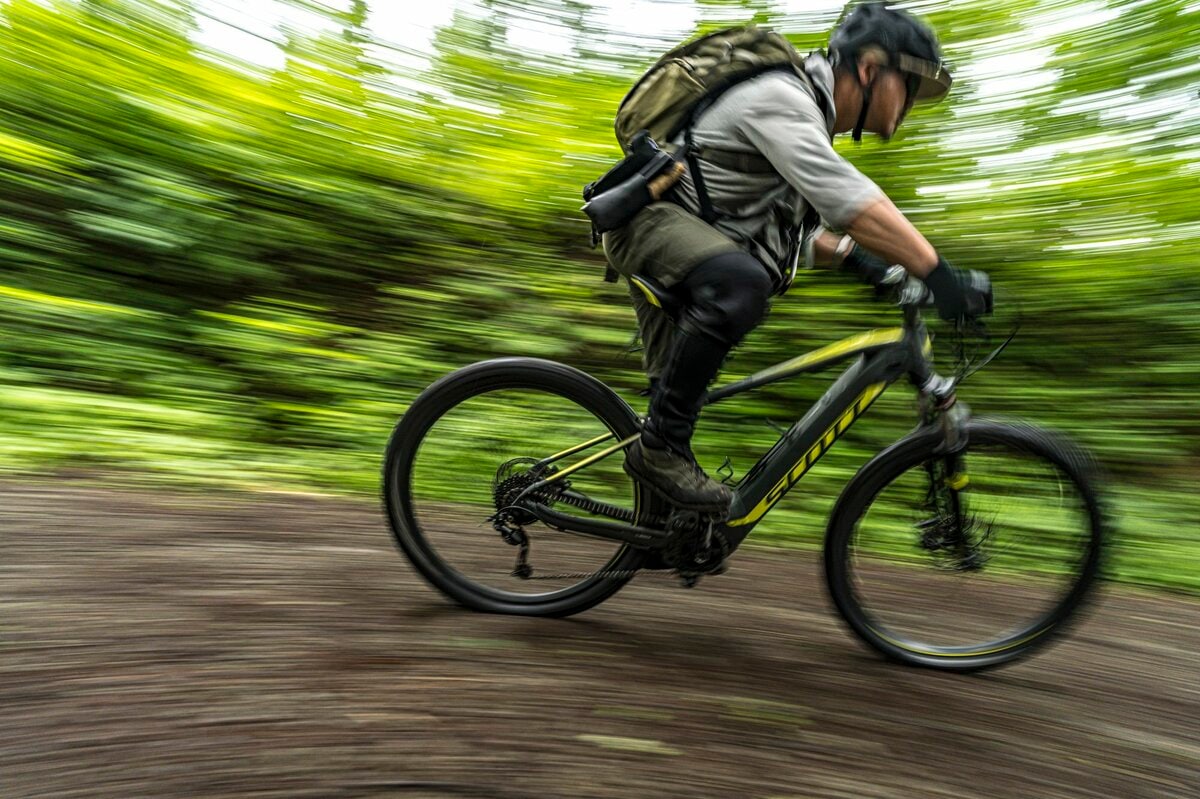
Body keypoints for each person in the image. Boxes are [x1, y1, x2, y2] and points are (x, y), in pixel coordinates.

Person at [603, 2, 992, 513]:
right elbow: (849, 202)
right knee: (740, 286)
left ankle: (661, 527)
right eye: (912, 85)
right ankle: (660, 451)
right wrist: (938, 274)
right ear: (871, 68)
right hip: (648, 230)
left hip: (681, 239)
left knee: (676, 399)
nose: (913, 102)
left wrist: (865, 266)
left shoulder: (805, 119)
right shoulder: (783, 98)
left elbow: (779, 234)